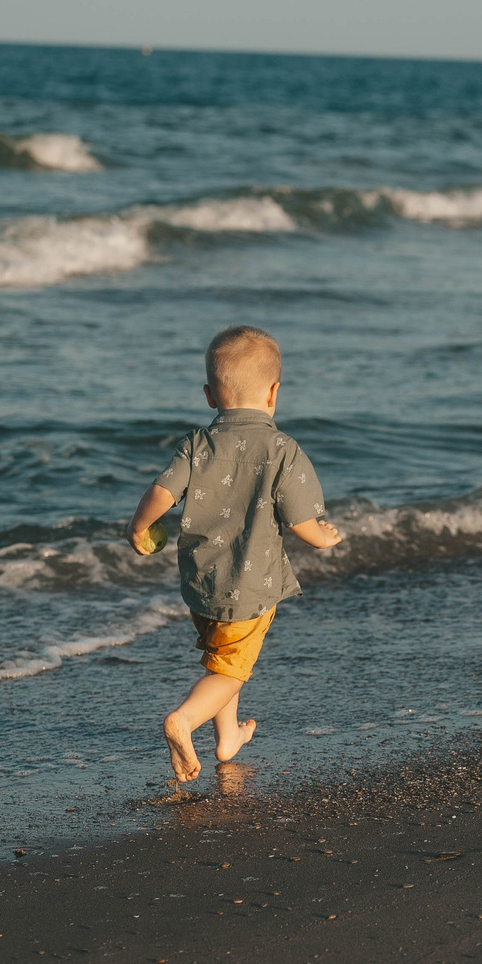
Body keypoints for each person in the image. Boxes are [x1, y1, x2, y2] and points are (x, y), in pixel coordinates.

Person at [126, 325, 342, 781]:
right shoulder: (283, 449)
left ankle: (228, 741)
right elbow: (303, 522)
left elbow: (162, 492)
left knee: (222, 658)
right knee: (232, 672)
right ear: (274, 393)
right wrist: (325, 538)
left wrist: (139, 526)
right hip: (250, 587)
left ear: (209, 395)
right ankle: (183, 720)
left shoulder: (195, 444)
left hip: (201, 584)